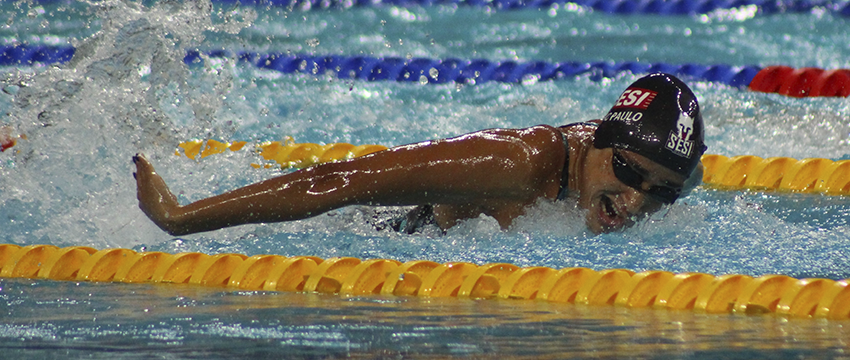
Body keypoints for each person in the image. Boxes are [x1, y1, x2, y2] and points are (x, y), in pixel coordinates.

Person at [134, 73, 706, 236]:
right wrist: (182, 220)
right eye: (629, 173)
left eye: (660, 192)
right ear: (598, 142)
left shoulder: (668, 173)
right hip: (393, 231)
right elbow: (338, 182)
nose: (634, 202)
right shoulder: (517, 165)